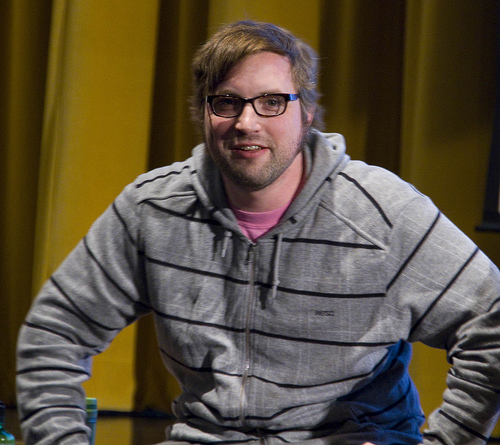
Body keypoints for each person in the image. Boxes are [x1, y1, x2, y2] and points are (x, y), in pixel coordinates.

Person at [16, 20, 500, 445]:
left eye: (271, 102)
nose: (246, 122)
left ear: (306, 112)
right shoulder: (152, 211)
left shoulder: (383, 215)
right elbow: (55, 332)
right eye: (227, 102)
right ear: (204, 112)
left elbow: (492, 323)